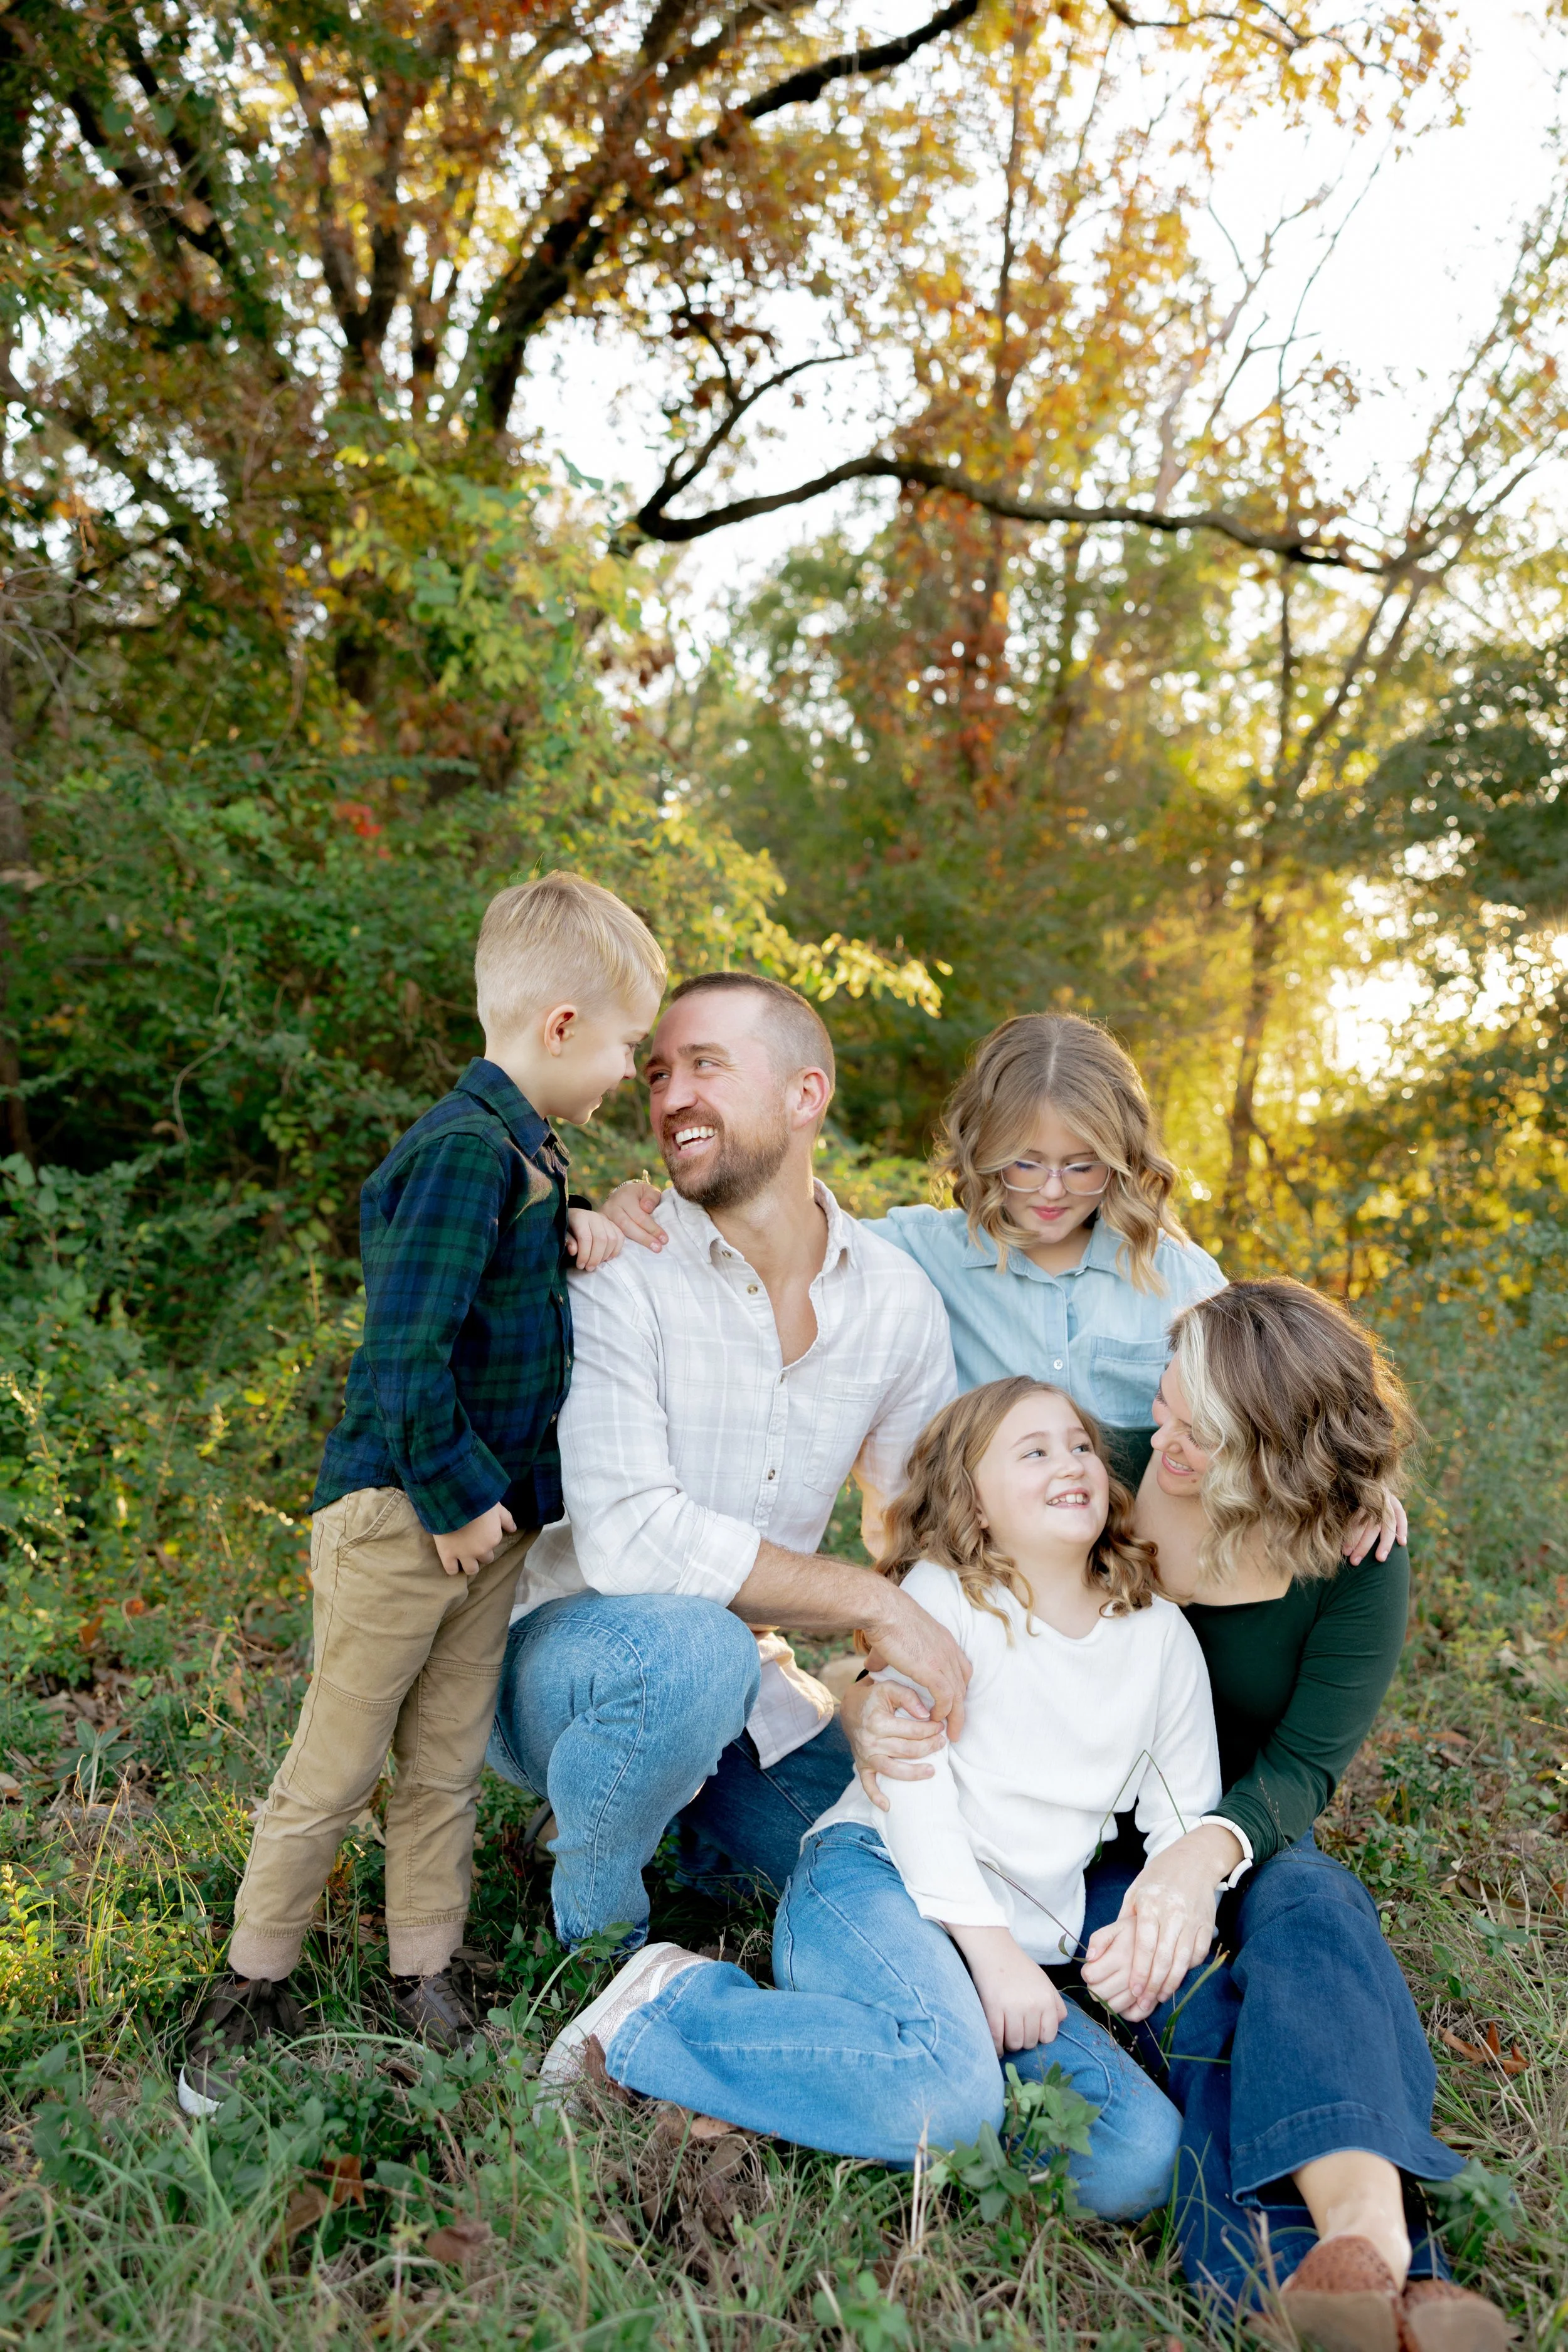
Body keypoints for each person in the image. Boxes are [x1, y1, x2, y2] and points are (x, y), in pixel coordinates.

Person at [847, 1281, 1507, 2351]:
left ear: (1284, 1458)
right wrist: (862, 1690)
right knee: (1204, 2009)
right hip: (1065, 1845)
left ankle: (1363, 2246)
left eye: (1203, 1435)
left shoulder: (1352, 1562)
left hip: (1227, 1820)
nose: (1164, 1441)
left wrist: (1202, 1856)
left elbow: (1299, 1766)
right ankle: (1340, 2285)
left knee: (1315, 1903)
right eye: (1167, 1403)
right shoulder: (1093, 1464)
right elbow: (940, 1567)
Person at [177, 872, 665, 2114]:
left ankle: (424, 1970)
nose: (625, 1076)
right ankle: (246, 1988)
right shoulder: (457, 1155)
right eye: (623, 1048)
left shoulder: (527, 1158)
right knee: (335, 1769)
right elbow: (401, 1355)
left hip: (483, 1528)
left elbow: (513, 1290)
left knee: (442, 1765)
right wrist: (453, 1501)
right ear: (560, 1027)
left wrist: (589, 1223)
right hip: (410, 1517)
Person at [534, 1380, 1216, 2218]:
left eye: (1079, 1445)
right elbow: (911, 1788)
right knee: (954, 2099)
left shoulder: (1160, 1640)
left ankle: (897, 2085)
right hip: (873, 1881)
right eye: (1033, 1451)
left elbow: (1185, 1819)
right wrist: (996, 1956)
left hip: (1010, 1952)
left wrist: (1159, 1929)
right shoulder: (946, 1596)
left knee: (1139, 2161)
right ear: (974, 1497)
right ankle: (664, 2009)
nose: (1069, 1463)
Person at [484, 972, 965, 1956]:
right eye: (657, 1073)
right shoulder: (621, 1270)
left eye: (706, 1065)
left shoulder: (896, 1300)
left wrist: (894, 1687)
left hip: (751, 1688)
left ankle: (680, 1821)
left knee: (904, 1858)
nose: (669, 1098)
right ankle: (597, 1941)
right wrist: (870, 1604)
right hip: (564, 1665)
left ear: (805, 1095)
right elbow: (629, 1541)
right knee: (696, 1651)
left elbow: (927, 1533)